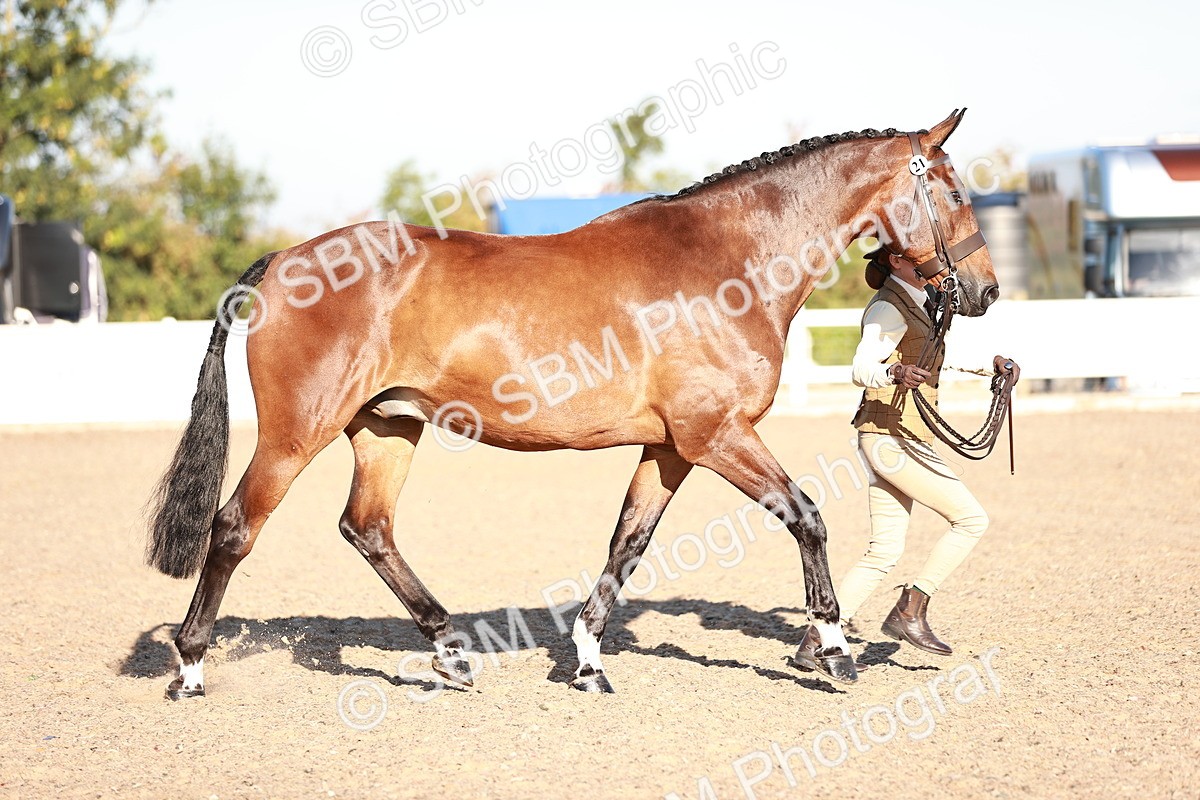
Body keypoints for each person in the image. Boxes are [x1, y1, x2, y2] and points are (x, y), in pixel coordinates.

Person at [795, 247, 1019, 671]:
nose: (934, 263)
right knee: (971, 520)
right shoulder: (886, 308)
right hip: (892, 439)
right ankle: (911, 609)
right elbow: (861, 366)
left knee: (884, 550)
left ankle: (818, 638)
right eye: (919, 257)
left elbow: (936, 358)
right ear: (896, 262)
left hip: (894, 436)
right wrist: (891, 373)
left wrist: (988, 365)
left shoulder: (917, 303)